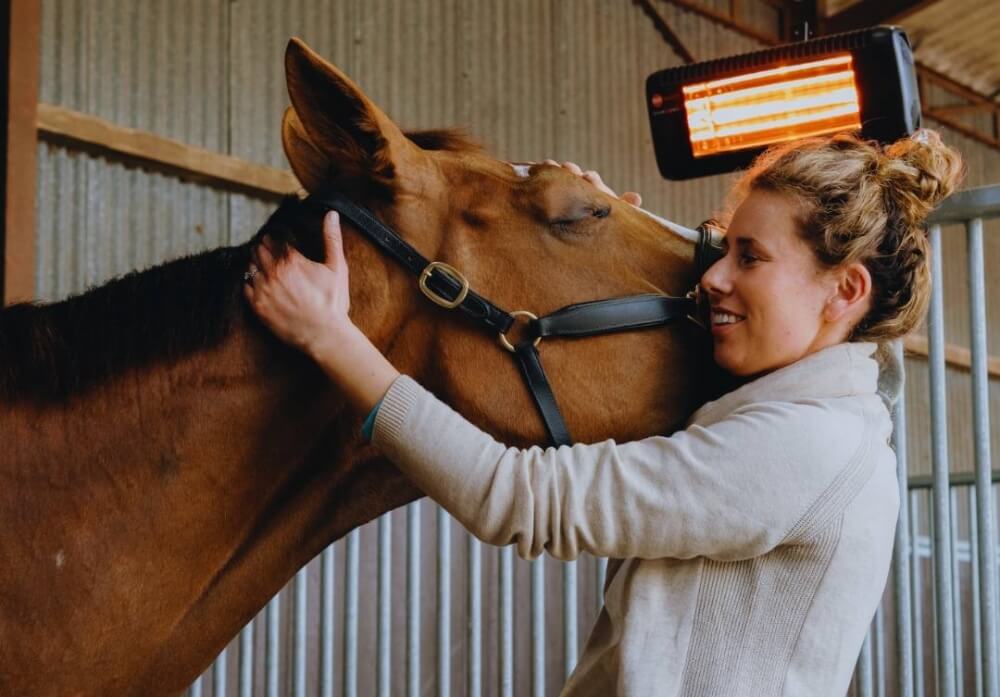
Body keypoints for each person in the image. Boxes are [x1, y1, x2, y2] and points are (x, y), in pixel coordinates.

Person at [243, 130, 964, 696]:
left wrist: (332, 337)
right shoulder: (807, 410)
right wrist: (603, 220)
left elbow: (518, 497)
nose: (714, 276)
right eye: (724, 246)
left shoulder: (810, 443)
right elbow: (691, 262)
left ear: (845, 292)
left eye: (750, 257)